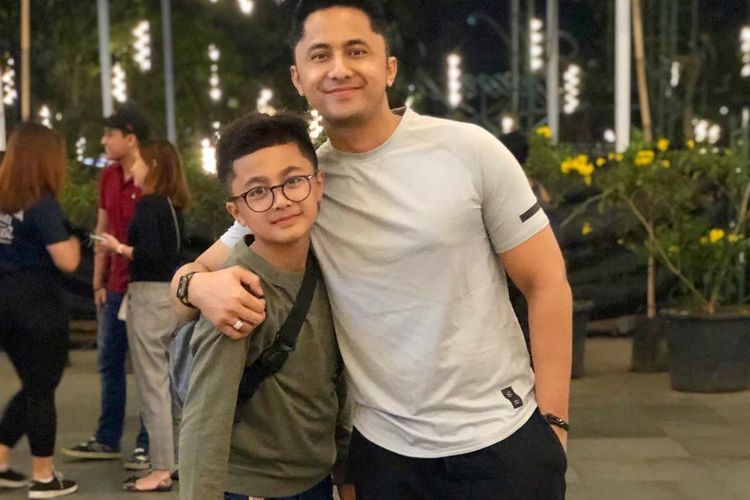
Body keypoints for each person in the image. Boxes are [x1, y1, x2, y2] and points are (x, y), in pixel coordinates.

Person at [172, 1, 572, 498]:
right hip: (384, 454)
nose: (339, 68)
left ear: (389, 67)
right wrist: (198, 287)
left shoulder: (470, 150)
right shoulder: (301, 187)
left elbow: (546, 282)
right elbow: (191, 277)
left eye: (356, 50)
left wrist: (554, 424)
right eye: (320, 55)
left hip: (502, 438)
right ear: (298, 78)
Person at [178, 112, 353, 500]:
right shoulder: (236, 296)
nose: (281, 201)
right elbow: (204, 426)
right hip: (252, 489)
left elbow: (336, 382)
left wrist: (344, 470)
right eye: (257, 192)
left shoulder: (326, 269)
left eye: (293, 181)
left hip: (315, 480)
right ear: (237, 212)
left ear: (318, 184)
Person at [98, 140, 189, 492]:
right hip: (171, 297)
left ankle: (160, 467)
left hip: (148, 298)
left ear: (152, 166)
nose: (132, 168)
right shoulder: (172, 205)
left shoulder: (148, 205)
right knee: (174, 384)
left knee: (153, 386)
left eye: (138, 162)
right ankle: (178, 458)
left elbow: (150, 254)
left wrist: (118, 247)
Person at [63, 107, 150, 470]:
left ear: (130, 138)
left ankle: (149, 444)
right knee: (109, 363)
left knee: (148, 368)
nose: (104, 141)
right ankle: (107, 438)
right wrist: (98, 281)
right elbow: (102, 230)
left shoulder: (150, 176)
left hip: (146, 286)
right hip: (114, 287)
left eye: (109, 135)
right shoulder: (108, 176)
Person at [0, 123, 80, 498]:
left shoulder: (3, 199)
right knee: (42, 390)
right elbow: (66, 260)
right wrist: (76, 240)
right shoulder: (40, 202)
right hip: (38, 308)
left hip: (5, 304)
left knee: (33, 387)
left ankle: (0, 461)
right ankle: (44, 477)